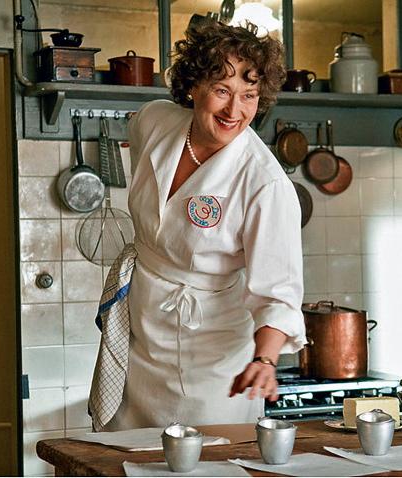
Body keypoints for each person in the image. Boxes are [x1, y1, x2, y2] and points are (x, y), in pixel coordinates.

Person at [103, 20, 305, 430]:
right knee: (126, 450)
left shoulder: (265, 183)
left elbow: (278, 294)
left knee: (205, 453)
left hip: (213, 359)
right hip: (139, 335)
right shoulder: (153, 122)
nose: (235, 111)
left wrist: (265, 360)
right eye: (222, 90)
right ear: (193, 86)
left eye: (249, 96)